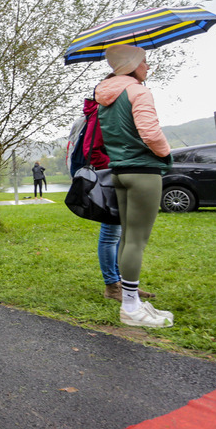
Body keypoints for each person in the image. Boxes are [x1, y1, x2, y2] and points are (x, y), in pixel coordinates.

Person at [95, 44, 173, 328]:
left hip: (119, 171)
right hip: (143, 171)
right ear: (132, 64)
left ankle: (133, 302)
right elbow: (150, 133)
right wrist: (166, 153)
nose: (148, 67)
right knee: (135, 240)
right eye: (145, 61)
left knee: (127, 239)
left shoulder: (104, 95)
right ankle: (130, 307)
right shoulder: (138, 91)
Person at [69, 101, 154, 304]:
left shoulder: (107, 112)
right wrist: (119, 164)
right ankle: (113, 285)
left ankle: (123, 283)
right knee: (111, 233)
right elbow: (93, 149)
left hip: (116, 173)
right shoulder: (102, 113)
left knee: (118, 232)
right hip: (109, 176)